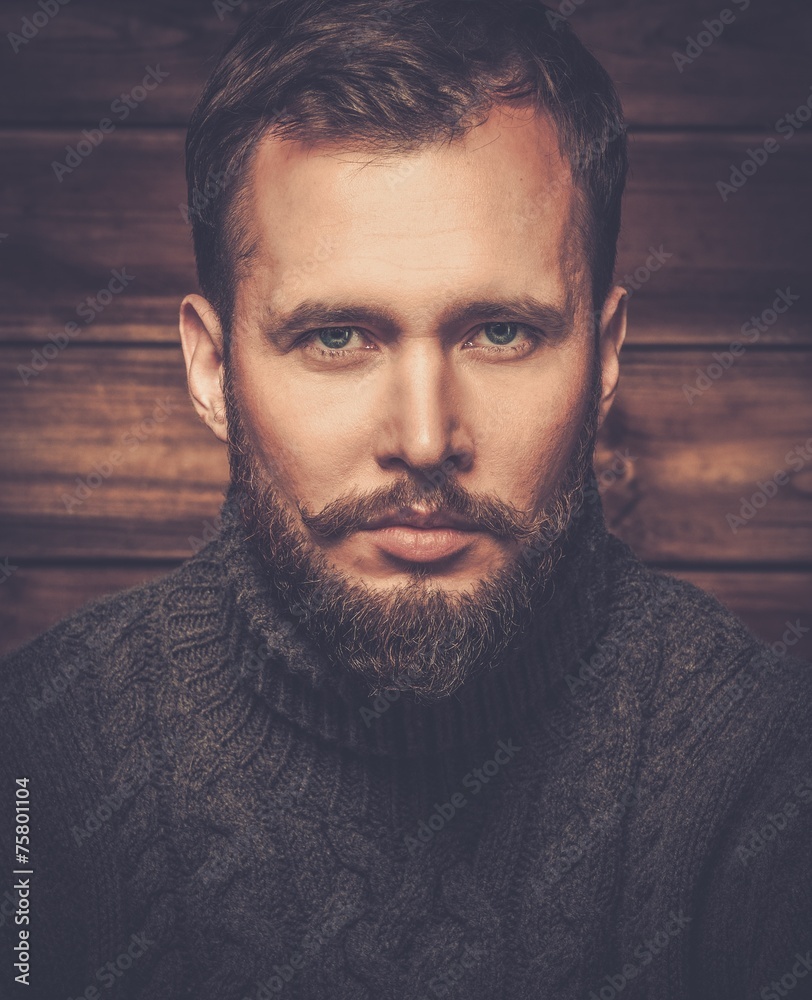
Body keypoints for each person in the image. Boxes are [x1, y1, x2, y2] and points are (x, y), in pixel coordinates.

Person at [1, 1, 810, 997]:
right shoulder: (37, 760)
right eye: (336, 337)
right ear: (211, 371)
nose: (424, 439)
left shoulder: (766, 772)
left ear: (603, 358)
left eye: (500, 333)